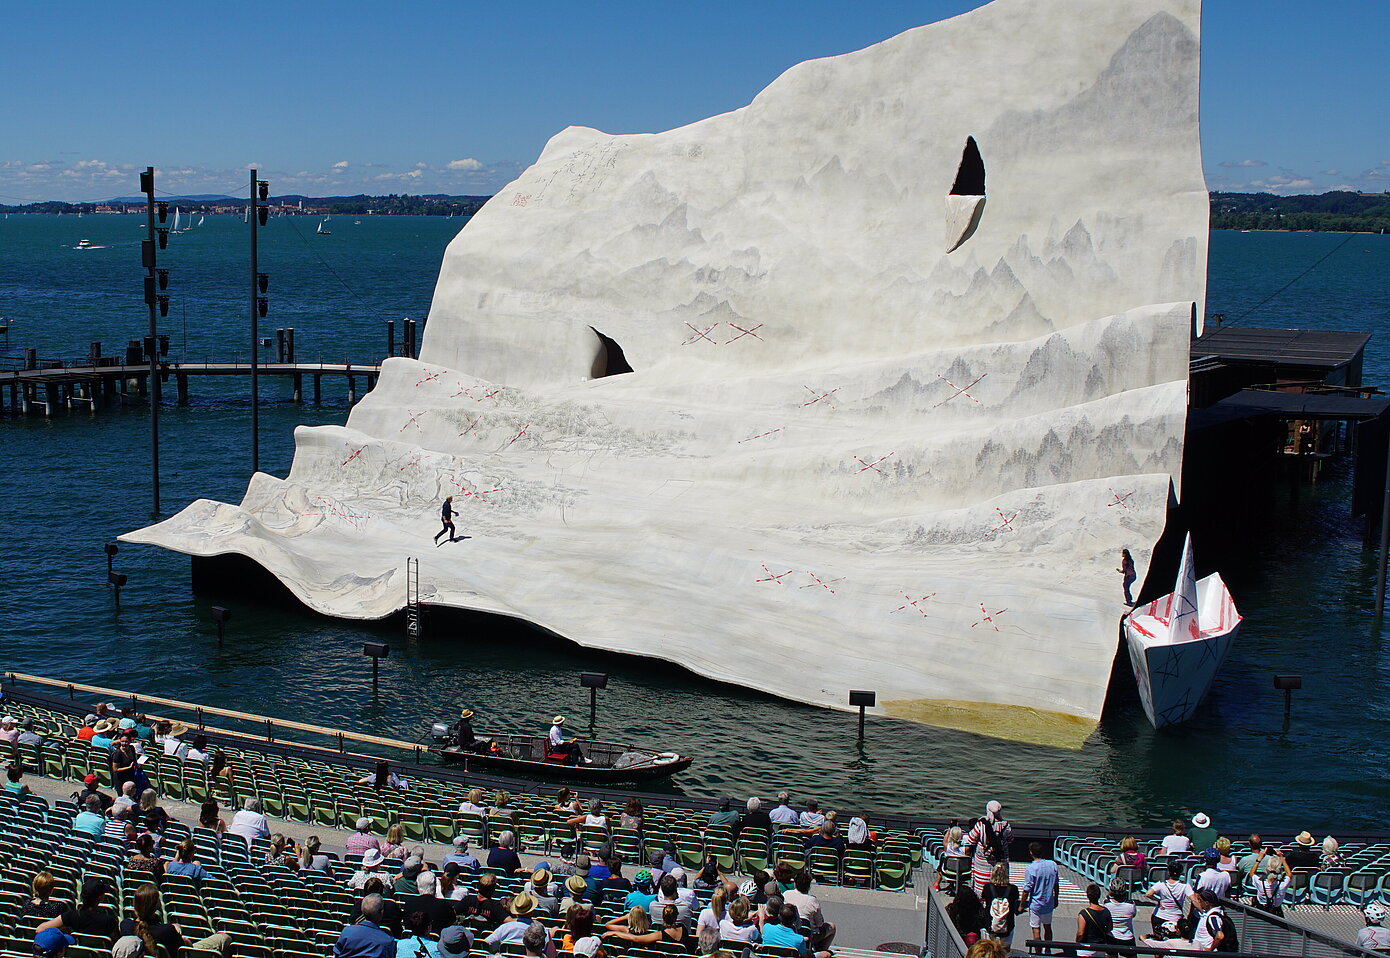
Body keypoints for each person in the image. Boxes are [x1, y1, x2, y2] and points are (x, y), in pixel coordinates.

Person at [119, 882, 231, 958]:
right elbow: (185, 949)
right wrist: (183, 938)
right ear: (156, 906)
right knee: (225, 938)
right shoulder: (166, 931)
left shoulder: (125, 925)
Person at [37, 879, 119, 943]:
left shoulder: (71, 915)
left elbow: (40, 929)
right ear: (100, 898)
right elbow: (118, 943)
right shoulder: (109, 921)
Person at [962, 801, 1012, 895]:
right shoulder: (1006, 825)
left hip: (983, 861)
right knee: (1000, 881)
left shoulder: (981, 824)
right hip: (1000, 860)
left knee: (982, 884)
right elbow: (1010, 839)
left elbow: (970, 839)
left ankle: (983, 901)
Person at [784, 871, 835, 949]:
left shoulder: (786, 894)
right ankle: (821, 950)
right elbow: (819, 924)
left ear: (795, 884)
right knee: (832, 927)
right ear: (809, 886)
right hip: (808, 933)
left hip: (788, 931)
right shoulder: (812, 900)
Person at [335, 893, 396, 958]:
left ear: (362, 910)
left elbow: (337, 953)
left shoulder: (347, 931)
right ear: (381, 912)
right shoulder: (387, 941)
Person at [1144, 861, 1194, 938]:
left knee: (1157, 939)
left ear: (1169, 872)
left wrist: (1158, 900)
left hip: (1159, 916)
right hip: (1175, 918)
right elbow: (1194, 899)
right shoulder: (1185, 886)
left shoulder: (1161, 884)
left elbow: (1148, 894)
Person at [981, 863, 1020, 946]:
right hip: (1008, 925)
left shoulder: (987, 887)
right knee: (1005, 950)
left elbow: (983, 898)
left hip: (990, 924)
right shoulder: (1013, 889)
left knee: (989, 948)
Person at [1075, 883, 1113, 958]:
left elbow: (1080, 933)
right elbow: (1110, 928)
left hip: (1085, 948)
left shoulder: (1084, 914)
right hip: (1100, 947)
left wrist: (1077, 941)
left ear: (1088, 896)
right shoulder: (1106, 911)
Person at [1248, 853, 1291, 917]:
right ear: (1279, 870)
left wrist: (1259, 859)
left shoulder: (1260, 883)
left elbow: (1252, 873)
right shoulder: (1282, 885)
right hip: (1276, 912)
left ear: (1267, 869)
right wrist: (1282, 858)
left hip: (1261, 911)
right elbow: (1289, 874)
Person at [696, 886, 729, 953]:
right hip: (723, 951)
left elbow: (698, 935)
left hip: (706, 948)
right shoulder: (729, 916)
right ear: (726, 900)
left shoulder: (704, 913)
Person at [1105, 878, 1137, 948]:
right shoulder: (1131, 905)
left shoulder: (1107, 904)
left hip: (1112, 936)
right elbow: (1133, 915)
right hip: (1127, 937)